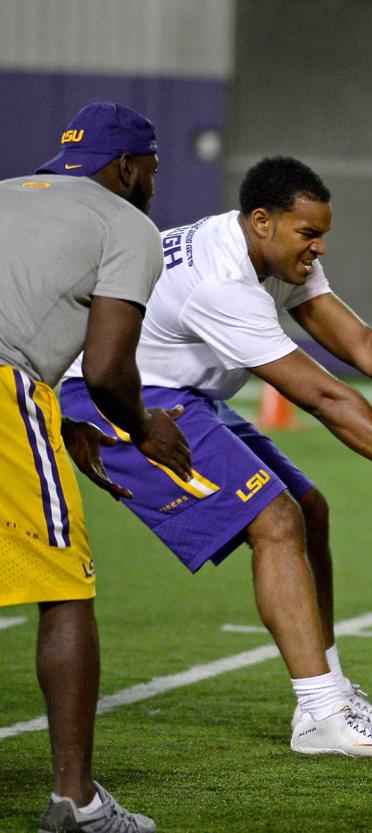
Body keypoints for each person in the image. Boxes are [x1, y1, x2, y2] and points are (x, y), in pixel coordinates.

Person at [58, 156, 372, 759]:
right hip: (113, 400)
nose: (318, 249)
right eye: (309, 234)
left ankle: (334, 696)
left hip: (178, 389)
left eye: (322, 235)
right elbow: (324, 395)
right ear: (263, 221)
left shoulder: (268, 250)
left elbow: (362, 346)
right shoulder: (222, 282)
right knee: (276, 520)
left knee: (308, 506)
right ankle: (321, 714)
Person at [1, 102, 191, 833]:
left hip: (23, 395)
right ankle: (76, 803)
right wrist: (143, 430)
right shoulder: (126, 223)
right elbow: (110, 368)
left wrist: (58, 421)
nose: (151, 182)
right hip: (4, 386)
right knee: (64, 588)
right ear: (130, 166)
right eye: (151, 169)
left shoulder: (6, 191)